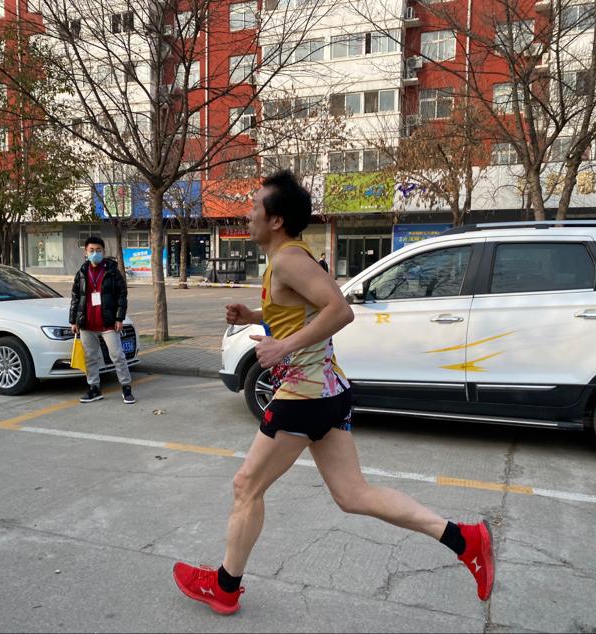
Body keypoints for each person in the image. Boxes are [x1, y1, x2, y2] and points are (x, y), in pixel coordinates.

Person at [172, 170, 494, 615]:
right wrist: (255, 315)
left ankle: (225, 587)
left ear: (276, 219)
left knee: (246, 485)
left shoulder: (289, 259)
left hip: (304, 394)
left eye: (254, 206)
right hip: (326, 391)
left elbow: (340, 310)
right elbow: (302, 310)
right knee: (353, 495)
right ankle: (464, 539)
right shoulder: (286, 259)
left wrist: (283, 346)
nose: (247, 213)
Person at [68, 236, 136, 405]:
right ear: (86, 252)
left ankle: (126, 387)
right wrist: (73, 320)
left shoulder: (112, 271)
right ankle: (94, 388)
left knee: (117, 356)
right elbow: (75, 297)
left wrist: (119, 318)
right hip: (87, 323)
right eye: (91, 250)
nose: (95, 253)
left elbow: (122, 295)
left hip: (108, 323)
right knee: (90, 357)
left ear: (104, 251)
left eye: (98, 250)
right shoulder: (82, 272)